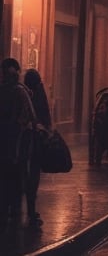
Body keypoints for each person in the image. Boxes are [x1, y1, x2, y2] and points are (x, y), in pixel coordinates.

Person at [0, 58, 36, 228]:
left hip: (15, 141)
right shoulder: (21, 92)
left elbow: (25, 119)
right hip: (13, 141)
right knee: (14, 175)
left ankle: (11, 210)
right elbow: (30, 118)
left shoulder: (19, 92)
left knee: (12, 175)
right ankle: (13, 210)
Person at [23, 69, 51, 227]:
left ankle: (16, 209)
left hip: (22, 141)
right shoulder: (38, 93)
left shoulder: (23, 92)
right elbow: (45, 115)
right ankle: (31, 209)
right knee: (33, 176)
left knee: (22, 174)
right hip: (35, 139)